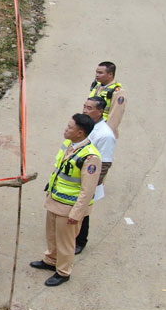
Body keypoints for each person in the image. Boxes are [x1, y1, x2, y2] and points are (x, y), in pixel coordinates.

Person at [31, 114, 100, 286]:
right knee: (52, 235)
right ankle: (50, 260)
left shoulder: (91, 157)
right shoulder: (69, 145)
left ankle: (63, 272)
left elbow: (88, 190)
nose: (66, 129)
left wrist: (77, 213)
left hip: (69, 207)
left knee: (66, 242)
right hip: (55, 200)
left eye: (70, 127)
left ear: (80, 133)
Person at [75, 97, 116, 254]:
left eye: (89, 108)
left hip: (87, 179)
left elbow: (104, 164)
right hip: (74, 176)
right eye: (85, 107)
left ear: (100, 111)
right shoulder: (84, 125)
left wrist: (91, 185)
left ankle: (80, 241)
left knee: (83, 211)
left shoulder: (105, 135)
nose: (85, 110)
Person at [88, 61, 126, 138]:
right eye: (96, 72)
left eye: (100, 73)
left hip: (103, 133)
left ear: (110, 74)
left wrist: (104, 134)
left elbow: (115, 116)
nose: (97, 75)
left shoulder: (118, 92)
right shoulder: (97, 86)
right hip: (91, 129)